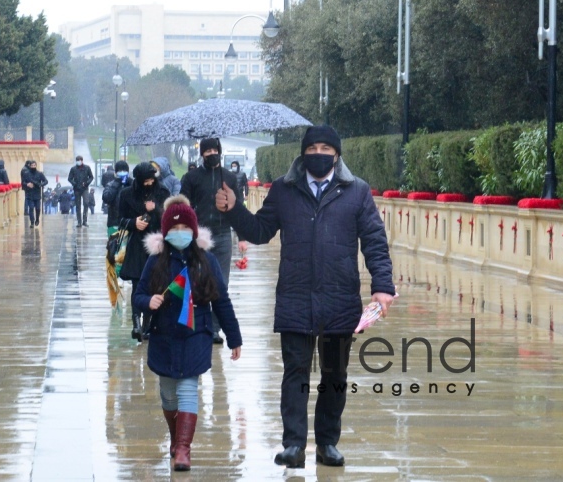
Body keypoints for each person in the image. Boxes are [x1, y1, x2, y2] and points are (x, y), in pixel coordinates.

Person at [215, 125, 395, 469]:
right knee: (295, 373)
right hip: (295, 297)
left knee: (334, 375)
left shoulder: (356, 192)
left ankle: (327, 443)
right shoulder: (284, 190)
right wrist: (234, 210)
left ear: (337, 154)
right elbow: (260, 231)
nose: (319, 153)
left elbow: (374, 240)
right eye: (312, 147)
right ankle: (294, 445)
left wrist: (382, 286)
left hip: (340, 299)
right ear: (303, 153)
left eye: (326, 147)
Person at [134, 195, 242, 472]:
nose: (179, 234)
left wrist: (234, 337)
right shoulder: (155, 261)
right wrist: (149, 301)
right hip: (163, 334)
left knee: (188, 387)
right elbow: (139, 295)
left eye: (185, 230)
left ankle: (183, 449)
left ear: (194, 232)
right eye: (174, 229)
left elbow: (222, 301)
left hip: (197, 333)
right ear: (166, 231)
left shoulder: (206, 261)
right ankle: (175, 438)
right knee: (168, 393)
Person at [180, 138, 247, 344]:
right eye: (206, 151)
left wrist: (242, 237)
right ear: (202, 154)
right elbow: (183, 205)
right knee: (197, 281)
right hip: (199, 236)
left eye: (213, 150)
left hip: (223, 235)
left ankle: (216, 329)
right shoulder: (191, 177)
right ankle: (198, 324)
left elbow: (238, 209)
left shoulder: (229, 178)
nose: (211, 153)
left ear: (219, 151)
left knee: (221, 284)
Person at [118, 163, 170, 342]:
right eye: (145, 181)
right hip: (137, 245)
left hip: (156, 244)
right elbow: (120, 219)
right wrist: (134, 223)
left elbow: (168, 217)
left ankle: (148, 323)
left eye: (151, 180)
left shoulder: (162, 192)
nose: (149, 184)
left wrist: (154, 209)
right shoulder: (126, 194)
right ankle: (136, 322)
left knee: (155, 284)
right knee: (138, 283)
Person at [102, 160, 132, 236]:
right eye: (119, 170)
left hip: (130, 222)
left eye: (124, 170)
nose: (122, 172)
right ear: (115, 172)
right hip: (114, 222)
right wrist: (117, 183)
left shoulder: (132, 184)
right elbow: (106, 198)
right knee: (114, 245)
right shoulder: (111, 185)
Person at [67, 155, 94, 227]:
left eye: (80, 160)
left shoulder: (87, 168)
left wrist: (87, 183)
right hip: (77, 189)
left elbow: (91, 177)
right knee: (78, 205)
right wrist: (74, 184)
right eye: (77, 160)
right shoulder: (73, 169)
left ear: (82, 161)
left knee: (86, 203)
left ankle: (85, 221)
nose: (79, 162)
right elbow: (69, 178)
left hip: (84, 188)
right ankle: (79, 221)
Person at [22, 160, 48, 227]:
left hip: (37, 193)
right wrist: (27, 184)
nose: (33, 167)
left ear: (36, 166)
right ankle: (32, 222)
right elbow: (23, 182)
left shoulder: (39, 173)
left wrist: (40, 184)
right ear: (30, 166)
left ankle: (37, 219)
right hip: (29, 193)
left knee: (38, 208)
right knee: (31, 208)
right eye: (32, 165)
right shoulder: (26, 173)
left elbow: (46, 181)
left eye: (34, 165)